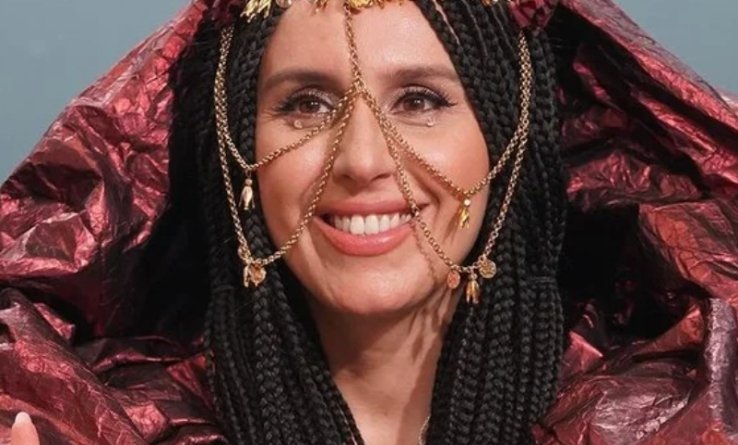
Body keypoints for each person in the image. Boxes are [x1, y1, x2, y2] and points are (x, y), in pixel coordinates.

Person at [2, 0, 737, 444]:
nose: (360, 159)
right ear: (237, 150)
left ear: (509, 138)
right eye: (307, 104)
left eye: (419, 100)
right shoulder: (95, 427)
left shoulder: (673, 419)